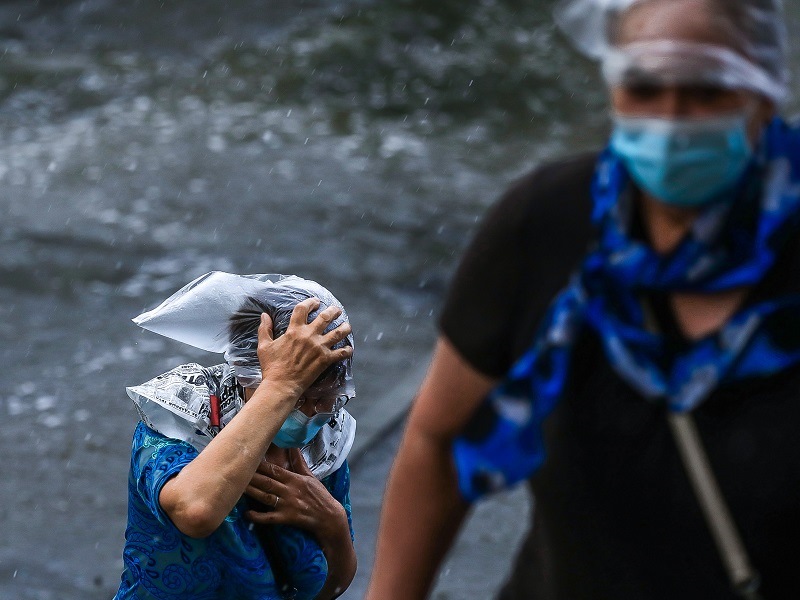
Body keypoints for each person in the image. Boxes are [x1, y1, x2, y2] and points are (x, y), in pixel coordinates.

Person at [366, 0, 800, 598]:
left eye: (707, 90)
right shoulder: (549, 224)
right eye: (644, 87)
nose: (672, 120)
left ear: (765, 95)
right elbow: (437, 440)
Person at [115, 272, 357, 600]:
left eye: (324, 397)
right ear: (248, 374)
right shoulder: (184, 418)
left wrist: (335, 528)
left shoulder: (324, 446)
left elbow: (329, 588)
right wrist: (283, 385)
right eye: (299, 397)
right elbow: (196, 511)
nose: (313, 412)